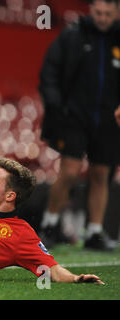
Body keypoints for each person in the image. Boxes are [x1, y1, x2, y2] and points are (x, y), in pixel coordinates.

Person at [38, 0, 120, 250]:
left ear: (116, 11)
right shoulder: (73, 35)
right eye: (98, 12)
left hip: (109, 120)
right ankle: (49, 225)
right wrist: (55, 105)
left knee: (100, 174)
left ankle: (94, 232)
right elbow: (49, 70)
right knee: (70, 172)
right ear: (91, 9)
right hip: (74, 116)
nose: (102, 17)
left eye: (108, 13)